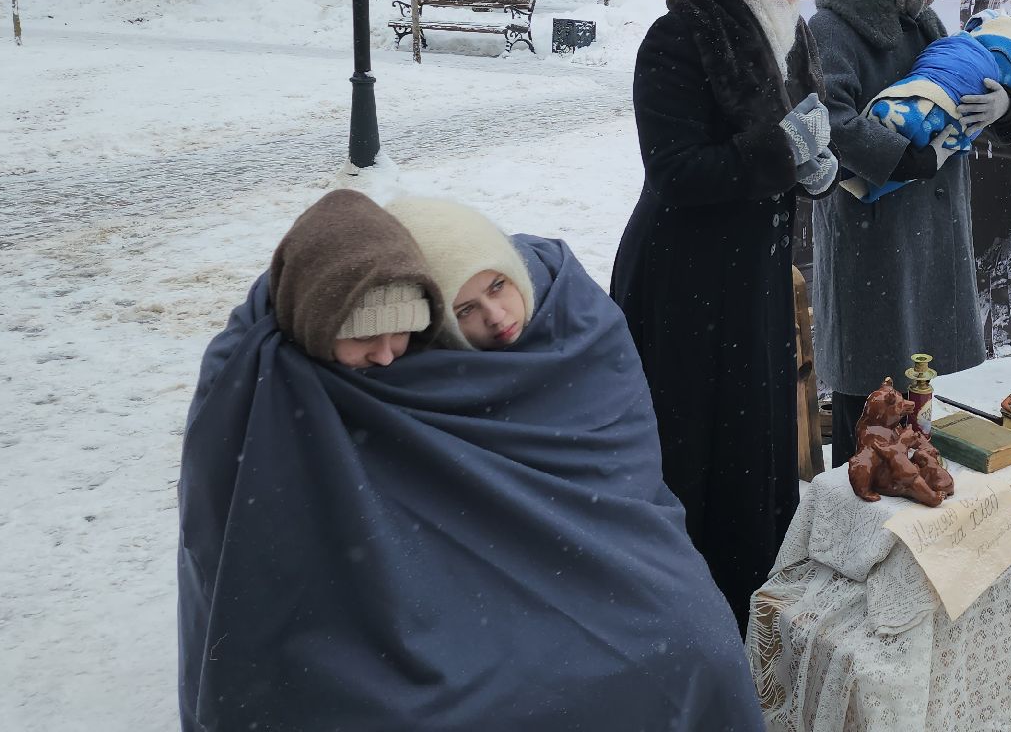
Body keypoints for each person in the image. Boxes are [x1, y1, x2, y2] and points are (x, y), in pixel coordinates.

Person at [180, 190, 762, 731]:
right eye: (465, 307)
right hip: (449, 607)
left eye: (498, 287)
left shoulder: (570, 326)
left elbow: (618, 465)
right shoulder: (323, 380)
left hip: (606, 558)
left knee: (697, 640)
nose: (384, 357)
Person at [610, 0, 833, 630]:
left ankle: (750, 618)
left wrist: (814, 167)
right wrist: (781, 152)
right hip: (684, 294)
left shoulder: (785, 33)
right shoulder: (678, 40)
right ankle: (689, 634)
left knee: (758, 458)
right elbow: (676, 174)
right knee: (693, 465)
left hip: (753, 288)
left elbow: (795, 143)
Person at [810, 0, 1011, 467]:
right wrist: (900, 159)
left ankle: (913, 485)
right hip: (872, 235)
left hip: (924, 231)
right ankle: (859, 512)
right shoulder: (832, 28)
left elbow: (956, 89)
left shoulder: (922, 20)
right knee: (869, 391)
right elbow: (824, 120)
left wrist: (1004, 107)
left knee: (916, 385)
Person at [385, 197, 540, 350]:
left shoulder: (559, 287)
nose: (496, 317)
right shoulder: (420, 370)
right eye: (466, 311)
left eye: (498, 286)